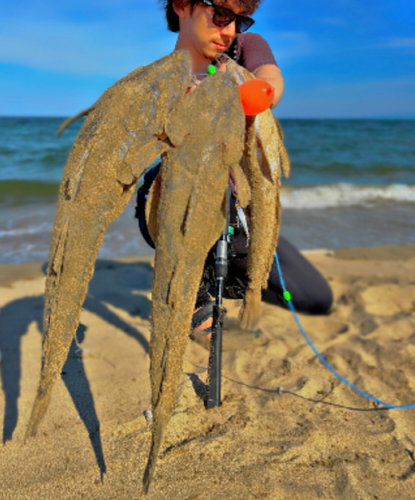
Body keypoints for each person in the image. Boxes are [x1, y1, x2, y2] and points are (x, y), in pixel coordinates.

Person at [136, 0, 333, 336]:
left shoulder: (245, 47)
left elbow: (270, 76)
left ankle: (221, 272)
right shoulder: (161, 79)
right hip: (174, 207)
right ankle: (192, 296)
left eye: (240, 21)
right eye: (221, 15)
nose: (229, 30)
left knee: (315, 297)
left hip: (239, 211)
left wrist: (257, 94)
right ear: (182, 6)